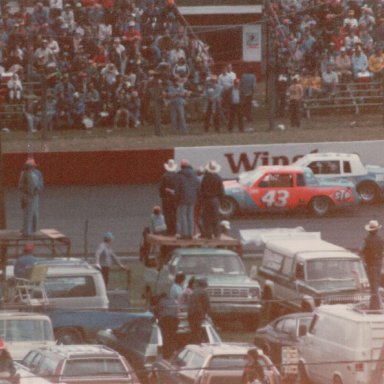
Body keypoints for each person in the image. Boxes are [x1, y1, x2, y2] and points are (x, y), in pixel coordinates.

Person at [360, 220, 384, 310]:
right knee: (376, 284)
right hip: (378, 264)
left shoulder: (366, 240)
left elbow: (361, 250)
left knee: (373, 285)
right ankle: (375, 304)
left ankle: (374, 305)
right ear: (377, 230)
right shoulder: (381, 240)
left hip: (370, 264)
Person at [18, 158, 44, 237]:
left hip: (34, 196)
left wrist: (36, 191)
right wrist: (23, 194)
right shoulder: (24, 173)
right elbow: (21, 185)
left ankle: (33, 229)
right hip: (27, 195)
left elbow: (41, 184)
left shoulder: (38, 173)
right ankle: (26, 230)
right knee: (27, 213)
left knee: (34, 212)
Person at [175, 159, 200, 239]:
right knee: (190, 216)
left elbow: (177, 189)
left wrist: (176, 198)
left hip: (183, 198)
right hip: (192, 198)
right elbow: (198, 186)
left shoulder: (179, 175)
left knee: (183, 216)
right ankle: (191, 233)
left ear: (181, 166)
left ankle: (184, 234)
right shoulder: (194, 175)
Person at [200, 161, 224, 239]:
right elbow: (221, 191)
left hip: (207, 200)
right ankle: (217, 235)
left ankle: (208, 235)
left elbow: (201, 190)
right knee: (216, 218)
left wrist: (202, 200)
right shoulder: (218, 178)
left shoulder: (205, 178)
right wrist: (221, 201)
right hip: (215, 200)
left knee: (206, 218)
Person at [154, 293, 179, 359]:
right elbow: (177, 311)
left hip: (165, 320)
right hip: (174, 320)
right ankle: (172, 352)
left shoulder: (161, 301)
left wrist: (157, 318)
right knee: (172, 337)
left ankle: (166, 355)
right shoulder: (173, 301)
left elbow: (156, 311)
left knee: (165, 338)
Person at [187, 277, 210, 344]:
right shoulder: (203, 292)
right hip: (198, 313)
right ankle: (197, 343)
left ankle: (194, 342)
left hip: (190, 313)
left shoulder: (194, 291)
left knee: (193, 330)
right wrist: (205, 313)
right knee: (198, 330)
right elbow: (207, 304)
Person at [159, 159, 178, 236]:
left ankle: (169, 230)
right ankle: (175, 230)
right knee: (174, 214)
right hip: (174, 199)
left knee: (167, 215)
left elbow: (160, 188)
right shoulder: (177, 176)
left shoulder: (164, 176)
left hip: (166, 199)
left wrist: (163, 195)